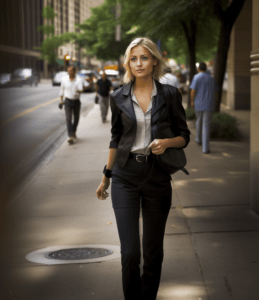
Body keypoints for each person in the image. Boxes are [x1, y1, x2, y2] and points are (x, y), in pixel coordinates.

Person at [96, 37, 190, 300]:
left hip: (157, 176)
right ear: (128, 63)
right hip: (125, 177)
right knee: (130, 254)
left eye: (144, 57)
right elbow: (116, 139)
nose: (139, 63)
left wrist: (167, 142)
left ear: (154, 61)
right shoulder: (118, 96)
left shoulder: (170, 94)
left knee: (152, 252)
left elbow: (184, 135)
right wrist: (106, 177)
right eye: (133, 58)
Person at [190, 62, 217, 154]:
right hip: (209, 104)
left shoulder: (196, 77)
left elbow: (193, 90)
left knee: (198, 121)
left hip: (198, 103)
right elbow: (215, 90)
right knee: (206, 125)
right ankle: (205, 148)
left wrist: (192, 101)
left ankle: (198, 139)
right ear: (206, 68)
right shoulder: (211, 78)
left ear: (199, 69)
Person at [59, 66, 84, 145]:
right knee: (68, 118)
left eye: (71, 71)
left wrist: (78, 90)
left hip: (76, 101)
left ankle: (73, 131)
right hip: (68, 101)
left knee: (76, 118)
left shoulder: (79, 80)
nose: (69, 72)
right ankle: (70, 136)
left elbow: (81, 89)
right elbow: (61, 90)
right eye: (68, 71)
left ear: (74, 71)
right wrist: (61, 101)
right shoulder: (64, 79)